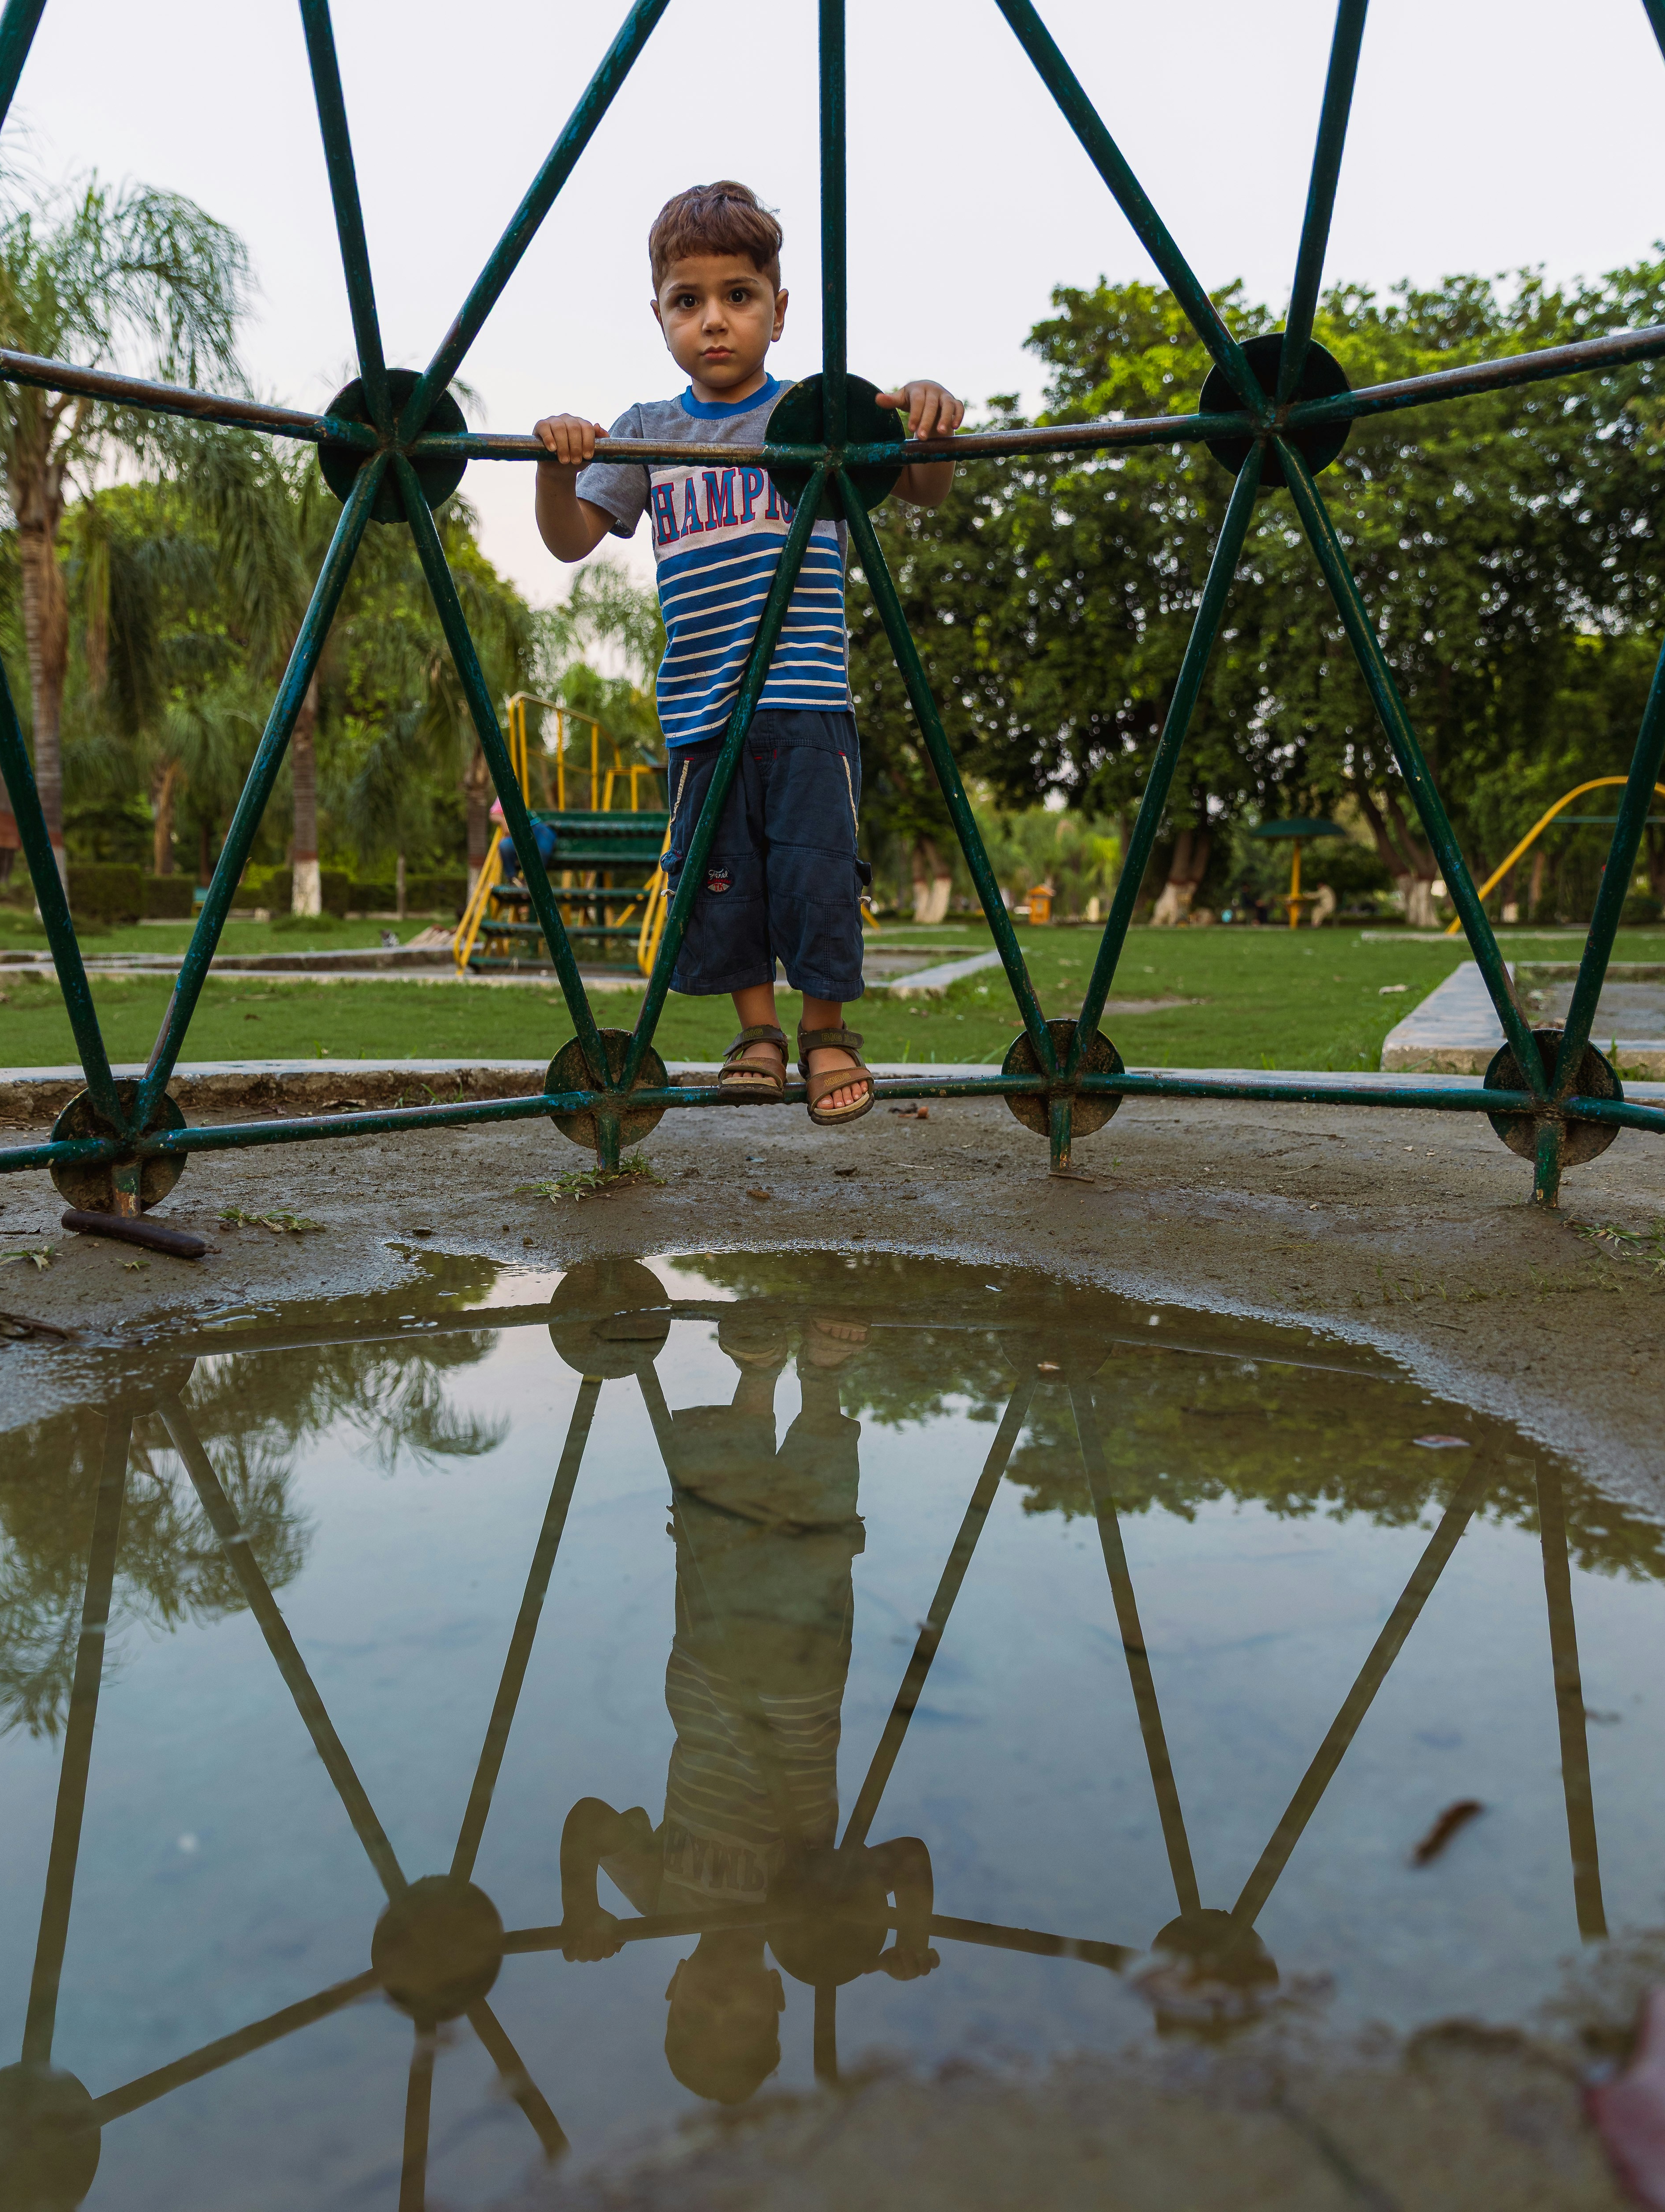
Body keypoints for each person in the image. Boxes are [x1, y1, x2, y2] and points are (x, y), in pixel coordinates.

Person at [532, 179, 964, 1128]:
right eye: (687, 303)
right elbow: (570, 539)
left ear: (778, 308)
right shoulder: (645, 431)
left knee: (816, 870)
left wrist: (928, 419)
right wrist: (552, 467)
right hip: (700, 704)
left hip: (805, 695)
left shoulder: (817, 419)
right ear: (658, 315)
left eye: (738, 297)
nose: (713, 322)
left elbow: (924, 488)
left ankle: (826, 1034)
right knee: (721, 879)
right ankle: (757, 1035)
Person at [556, 1310, 938, 2105]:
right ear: (775, 2001)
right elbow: (905, 1859)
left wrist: (582, 1908)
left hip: (707, 1672)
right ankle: (823, 1383)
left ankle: (756, 1378)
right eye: (744, 2015)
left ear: (676, 1993)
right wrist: (910, 1933)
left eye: (701, 2013)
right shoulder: (814, 1930)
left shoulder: (657, 1902)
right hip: (806, 1683)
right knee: (818, 1535)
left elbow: (590, 1822)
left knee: (715, 1527)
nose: (724, 1998)